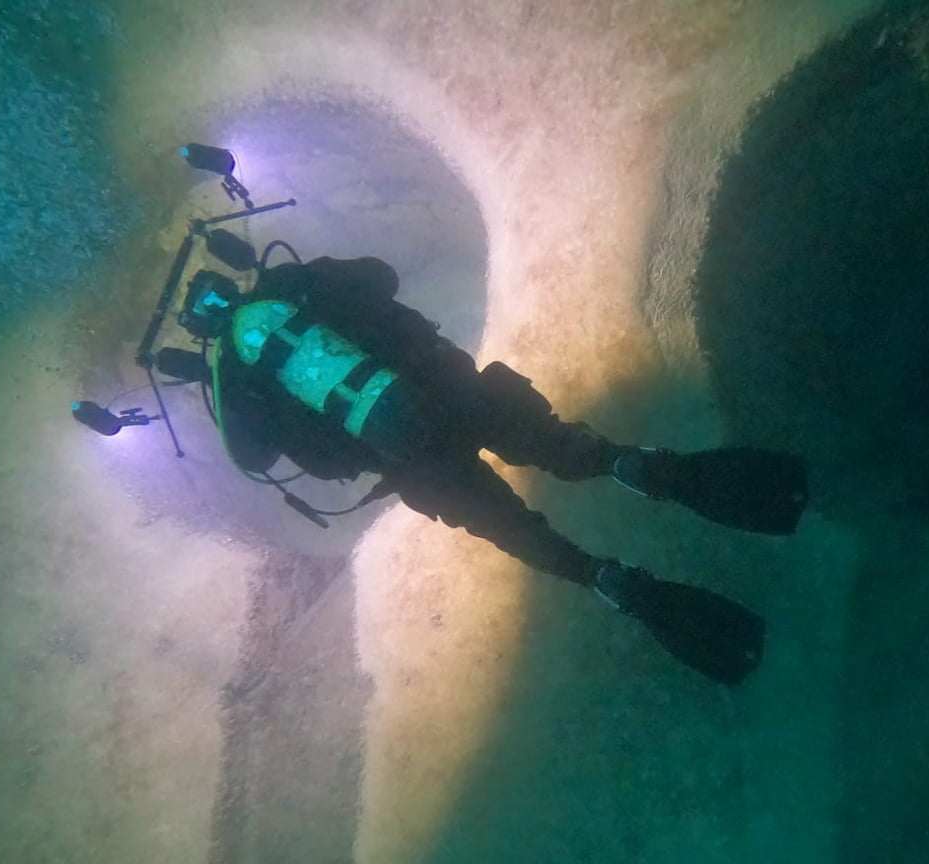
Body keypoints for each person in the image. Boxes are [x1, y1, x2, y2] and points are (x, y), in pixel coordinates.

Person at [161, 255, 807, 684]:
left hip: (408, 458)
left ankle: (609, 580)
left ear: (200, 328)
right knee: (556, 445)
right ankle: (635, 466)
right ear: (229, 281)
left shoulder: (237, 376)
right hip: (450, 388)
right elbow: (381, 276)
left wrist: (214, 379)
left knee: (513, 526)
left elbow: (256, 460)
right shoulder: (292, 286)